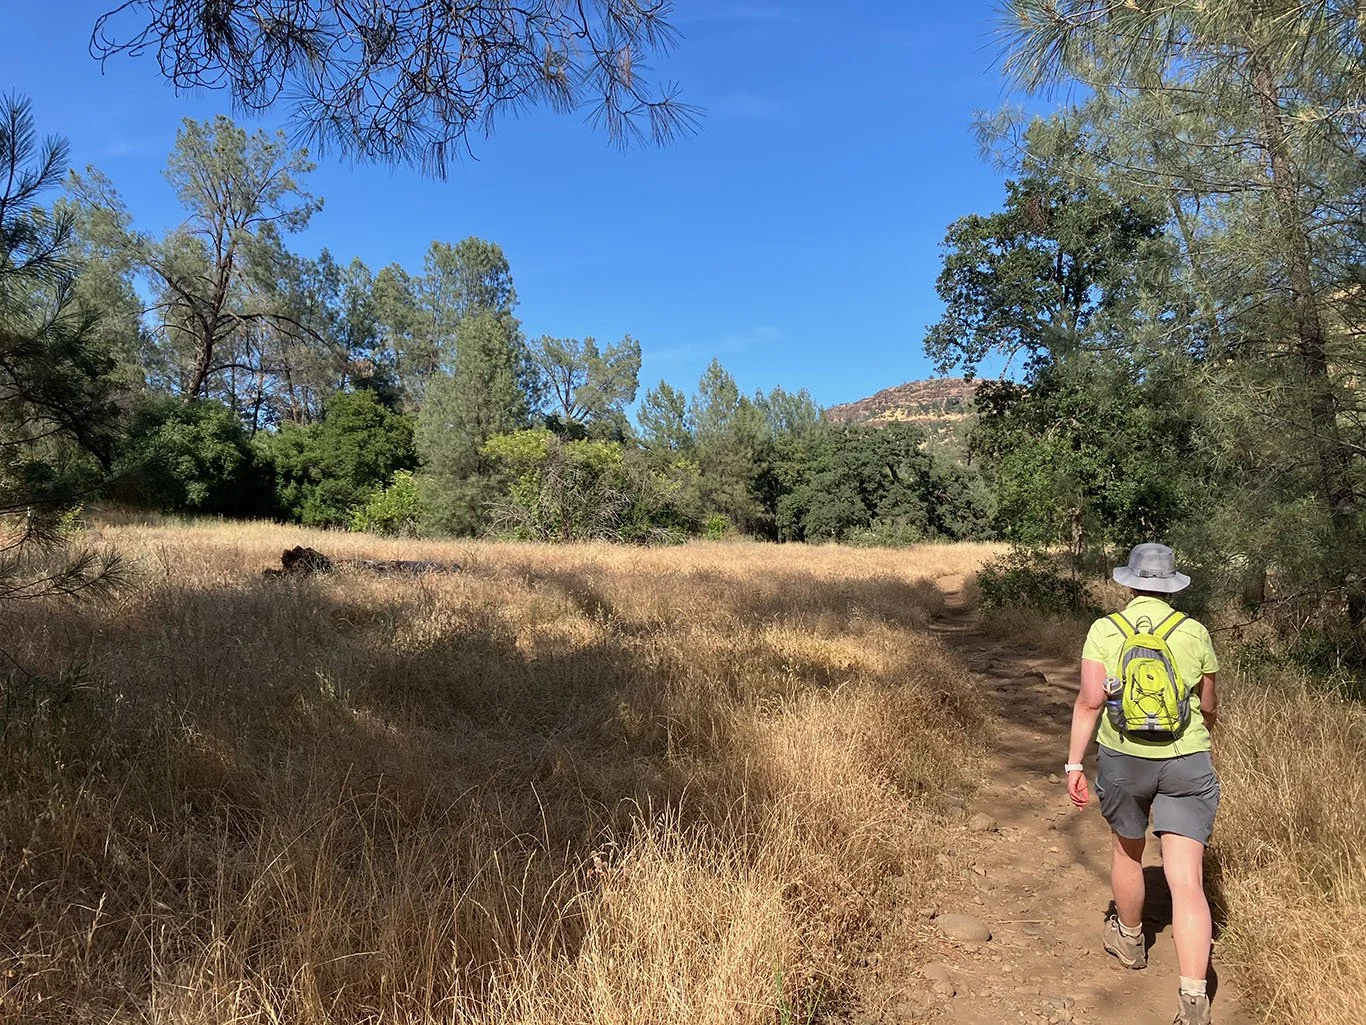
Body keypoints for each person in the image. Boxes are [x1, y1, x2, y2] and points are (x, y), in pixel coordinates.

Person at [1064, 543, 1221, 1025]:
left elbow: (1090, 701)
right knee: (1187, 881)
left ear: (1129, 583)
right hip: (1186, 760)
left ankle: (1130, 940)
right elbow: (1208, 706)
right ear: (1172, 586)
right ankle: (1193, 996)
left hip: (1124, 758)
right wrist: (1195, 741)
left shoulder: (1105, 630)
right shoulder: (1194, 632)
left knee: (1127, 851)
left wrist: (1074, 764)